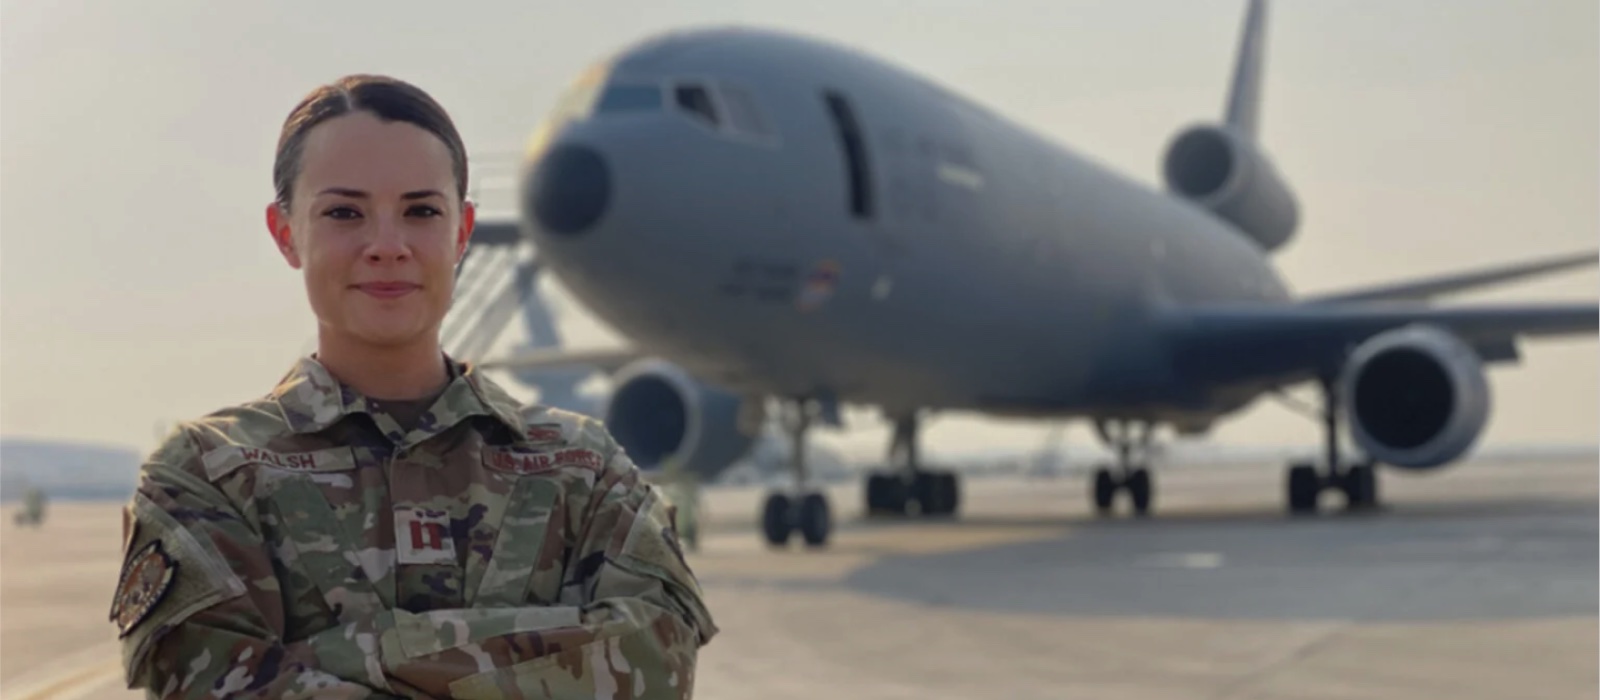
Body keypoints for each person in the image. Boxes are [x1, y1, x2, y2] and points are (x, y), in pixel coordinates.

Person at [110, 74, 716, 699]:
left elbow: (654, 664)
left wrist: (328, 656)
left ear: (462, 231)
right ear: (286, 232)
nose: (387, 245)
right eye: (345, 212)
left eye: (421, 211)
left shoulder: (585, 469)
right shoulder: (207, 473)